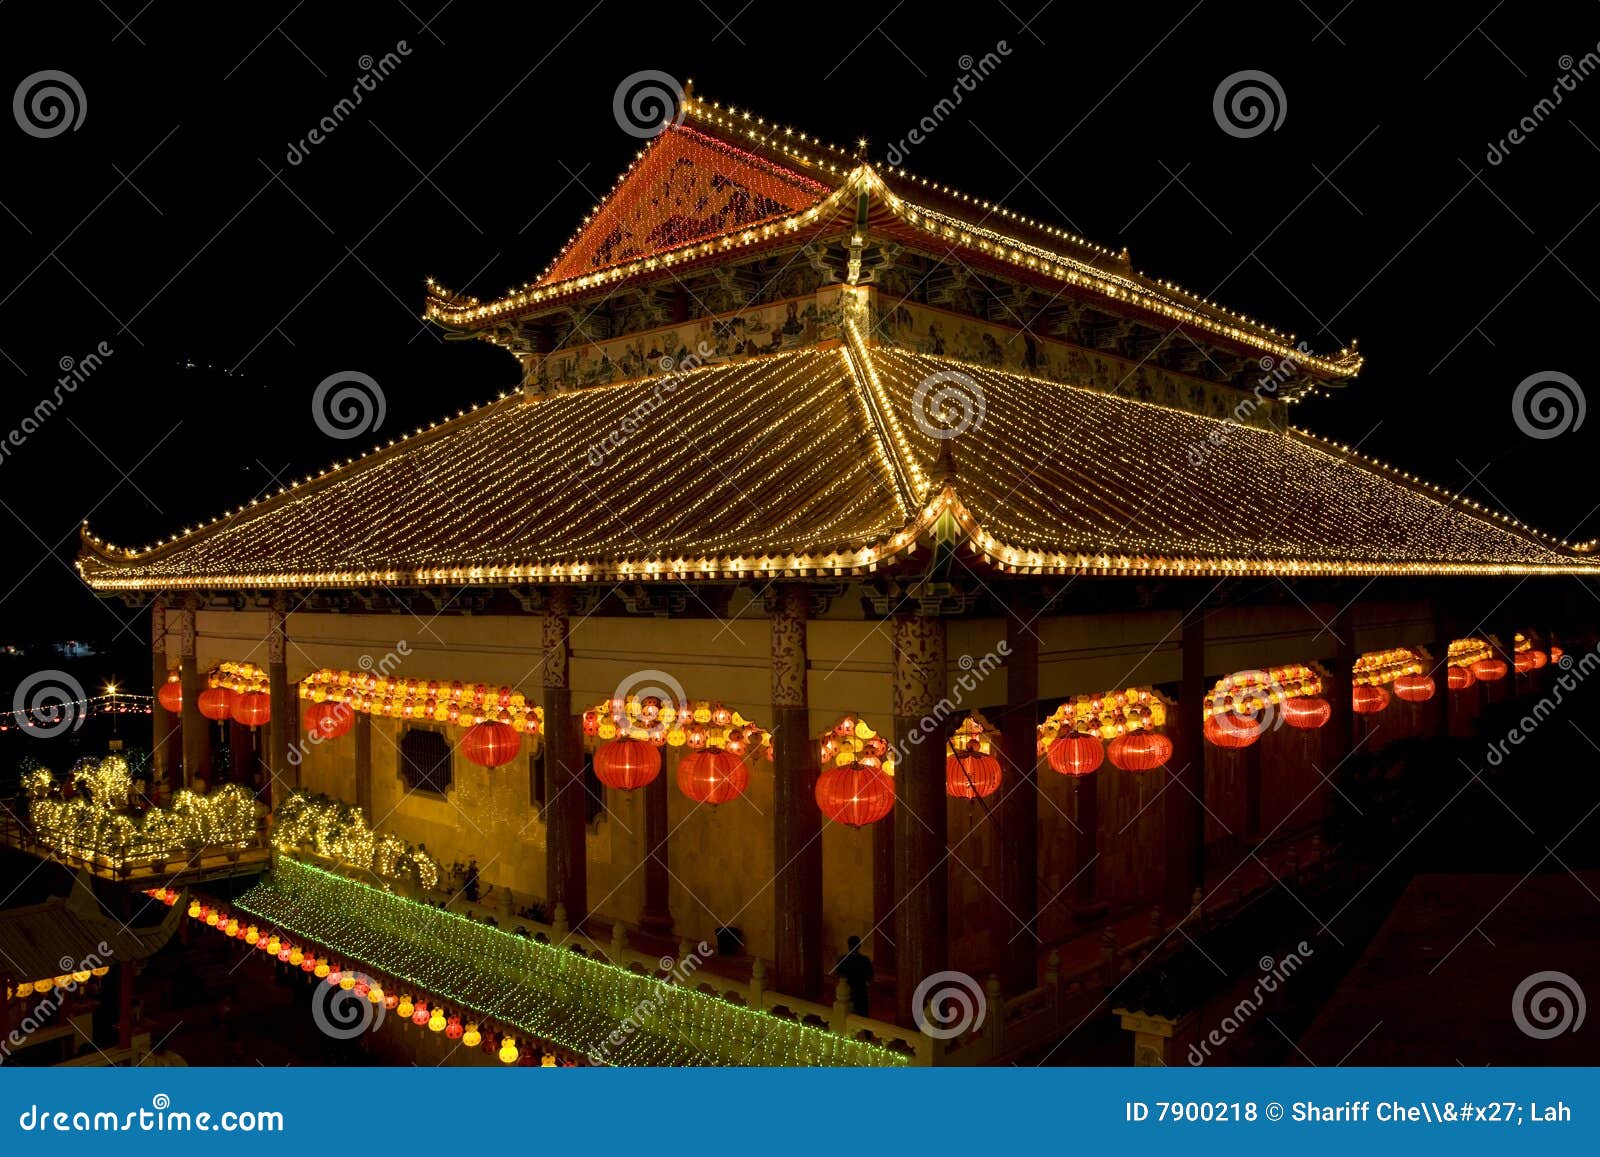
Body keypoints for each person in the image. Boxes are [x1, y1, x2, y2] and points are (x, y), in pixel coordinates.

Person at [833, 935, 874, 1016]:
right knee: (861, 1015)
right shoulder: (864, 960)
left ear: (848, 945)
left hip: (846, 992)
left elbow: (837, 973)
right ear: (859, 945)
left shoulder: (843, 959)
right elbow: (869, 977)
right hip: (860, 992)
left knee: (845, 1014)